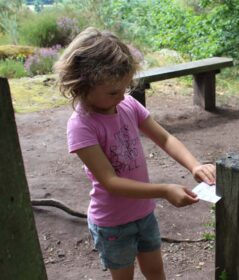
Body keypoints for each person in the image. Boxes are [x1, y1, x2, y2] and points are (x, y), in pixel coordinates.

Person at [54, 27, 216, 280]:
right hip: (112, 224)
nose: (122, 96)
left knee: (155, 271)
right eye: (112, 92)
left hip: (144, 214)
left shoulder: (127, 104)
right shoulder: (82, 125)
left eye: (125, 87)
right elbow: (111, 182)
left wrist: (194, 165)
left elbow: (165, 137)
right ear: (82, 84)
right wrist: (163, 190)